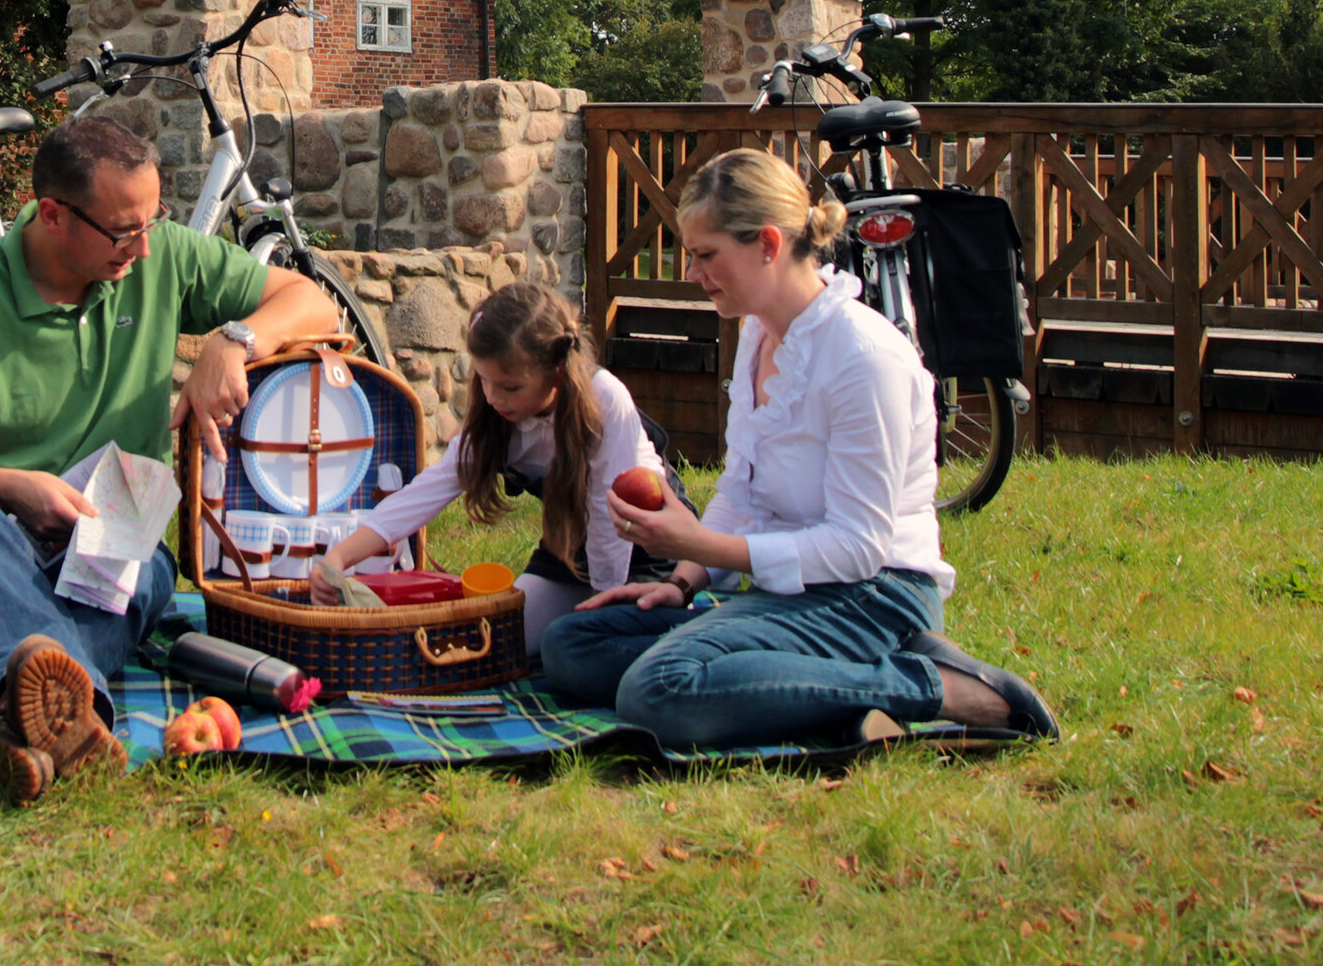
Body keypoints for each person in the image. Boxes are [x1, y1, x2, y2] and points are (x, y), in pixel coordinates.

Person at [0, 116, 338, 800]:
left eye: (152, 221)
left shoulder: (160, 254)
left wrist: (235, 339)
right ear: (51, 214)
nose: (142, 245)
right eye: (121, 229)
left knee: (143, 564)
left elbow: (313, 302)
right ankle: (60, 707)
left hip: (117, 539)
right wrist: (11, 488)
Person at [540, 148, 1057, 750]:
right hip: (786, 592)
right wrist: (682, 580)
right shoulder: (757, 333)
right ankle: (790, 679)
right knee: (571, 645)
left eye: (706, 255)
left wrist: (703, 544)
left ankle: (938, 686)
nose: (691, 273)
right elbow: (739, 488)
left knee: (658, 690)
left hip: (874, 594)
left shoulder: (863, 357)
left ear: (766, 244)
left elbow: (859, 549)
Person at [309, 280, 697, 655]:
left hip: (644, 541)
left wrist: (602, 603)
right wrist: (340, 557)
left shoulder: (604, 398)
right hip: (571, 547)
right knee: (503, 642)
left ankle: (684, 612)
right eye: (484, 380)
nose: (493, 397)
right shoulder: (496, 418)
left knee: (579, 646)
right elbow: (428, 491)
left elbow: (606, 510)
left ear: (556, 373)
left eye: (510, 387)